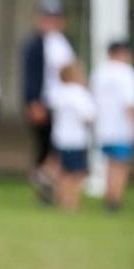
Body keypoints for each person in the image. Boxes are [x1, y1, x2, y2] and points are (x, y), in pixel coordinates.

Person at [21, 0, 75, 203]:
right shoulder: (34, 45)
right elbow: (31, 76)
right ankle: (43, 185)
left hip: (65, 104)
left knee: (61, 146)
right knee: (45, 146)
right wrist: (34, 102)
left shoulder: (64, 42)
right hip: (45, 102)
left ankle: (54, 183)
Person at [90, 40, 134, 212]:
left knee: (110, 163)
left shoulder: (100, 71)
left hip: (103, 127)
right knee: (121, 164)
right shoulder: (127, 73)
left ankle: (109, 196)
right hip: (122, 127)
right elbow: (129, 103)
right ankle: (115, 200)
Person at [50, 60, 95, 211]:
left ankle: (63, 201)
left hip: (60, 138)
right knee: (77, 173)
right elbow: (88, 116)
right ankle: (73, 202)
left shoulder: (58, 92)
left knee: (63, 172)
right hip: (76, 139)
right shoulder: (79, 93)